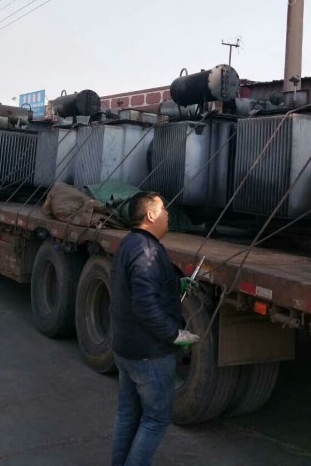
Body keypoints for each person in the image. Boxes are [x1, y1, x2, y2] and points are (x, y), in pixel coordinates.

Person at [110, 192, 199, 466]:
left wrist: (175, 284)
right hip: (149, 355)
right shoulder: (147, 250)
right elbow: (145, 305)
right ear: (150, 215)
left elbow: (141, 288)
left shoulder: (130, 244)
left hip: (126, 349)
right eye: (164, 209)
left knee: (128, 415)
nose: (168, 214)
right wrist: (175, 334)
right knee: (155, 420)